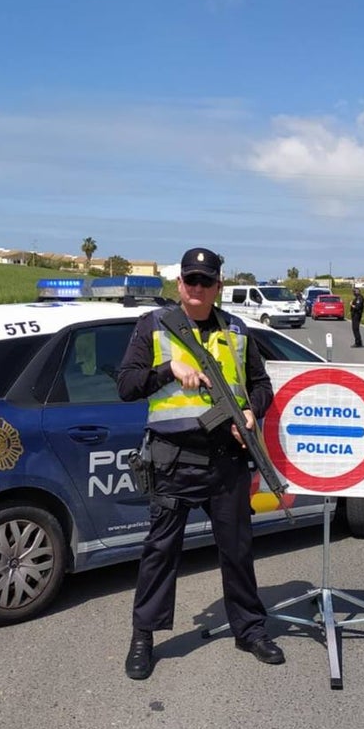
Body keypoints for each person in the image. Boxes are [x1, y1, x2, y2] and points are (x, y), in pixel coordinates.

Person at [117, 246, 284, 681]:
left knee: (238, 549)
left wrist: (252, 411)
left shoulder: (237, 330)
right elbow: (127, 386)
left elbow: (261, 384)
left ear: (218, 286)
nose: (197, 288)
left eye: (205, 281)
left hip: (227, 460)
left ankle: (250, 630)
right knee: (161, 552)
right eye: (190, 280)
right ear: (179, 284)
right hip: (174, 460)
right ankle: (143, 636)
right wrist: (168, 370)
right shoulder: (153, 326)